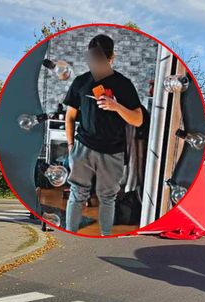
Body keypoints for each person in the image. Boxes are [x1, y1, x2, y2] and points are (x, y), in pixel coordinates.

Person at [63, 34, 143, 236]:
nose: (94, 65)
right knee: (77, 193)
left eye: (99, 61)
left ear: (111, 58)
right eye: (91, 60)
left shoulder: (124, 84)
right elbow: (70, 116)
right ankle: (70, 236)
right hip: (83, 146)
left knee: (108, 197)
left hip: (112, 151)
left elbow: (138, 119)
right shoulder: (81, 82)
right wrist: (71, 146)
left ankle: (106, 235)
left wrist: (116, 106)